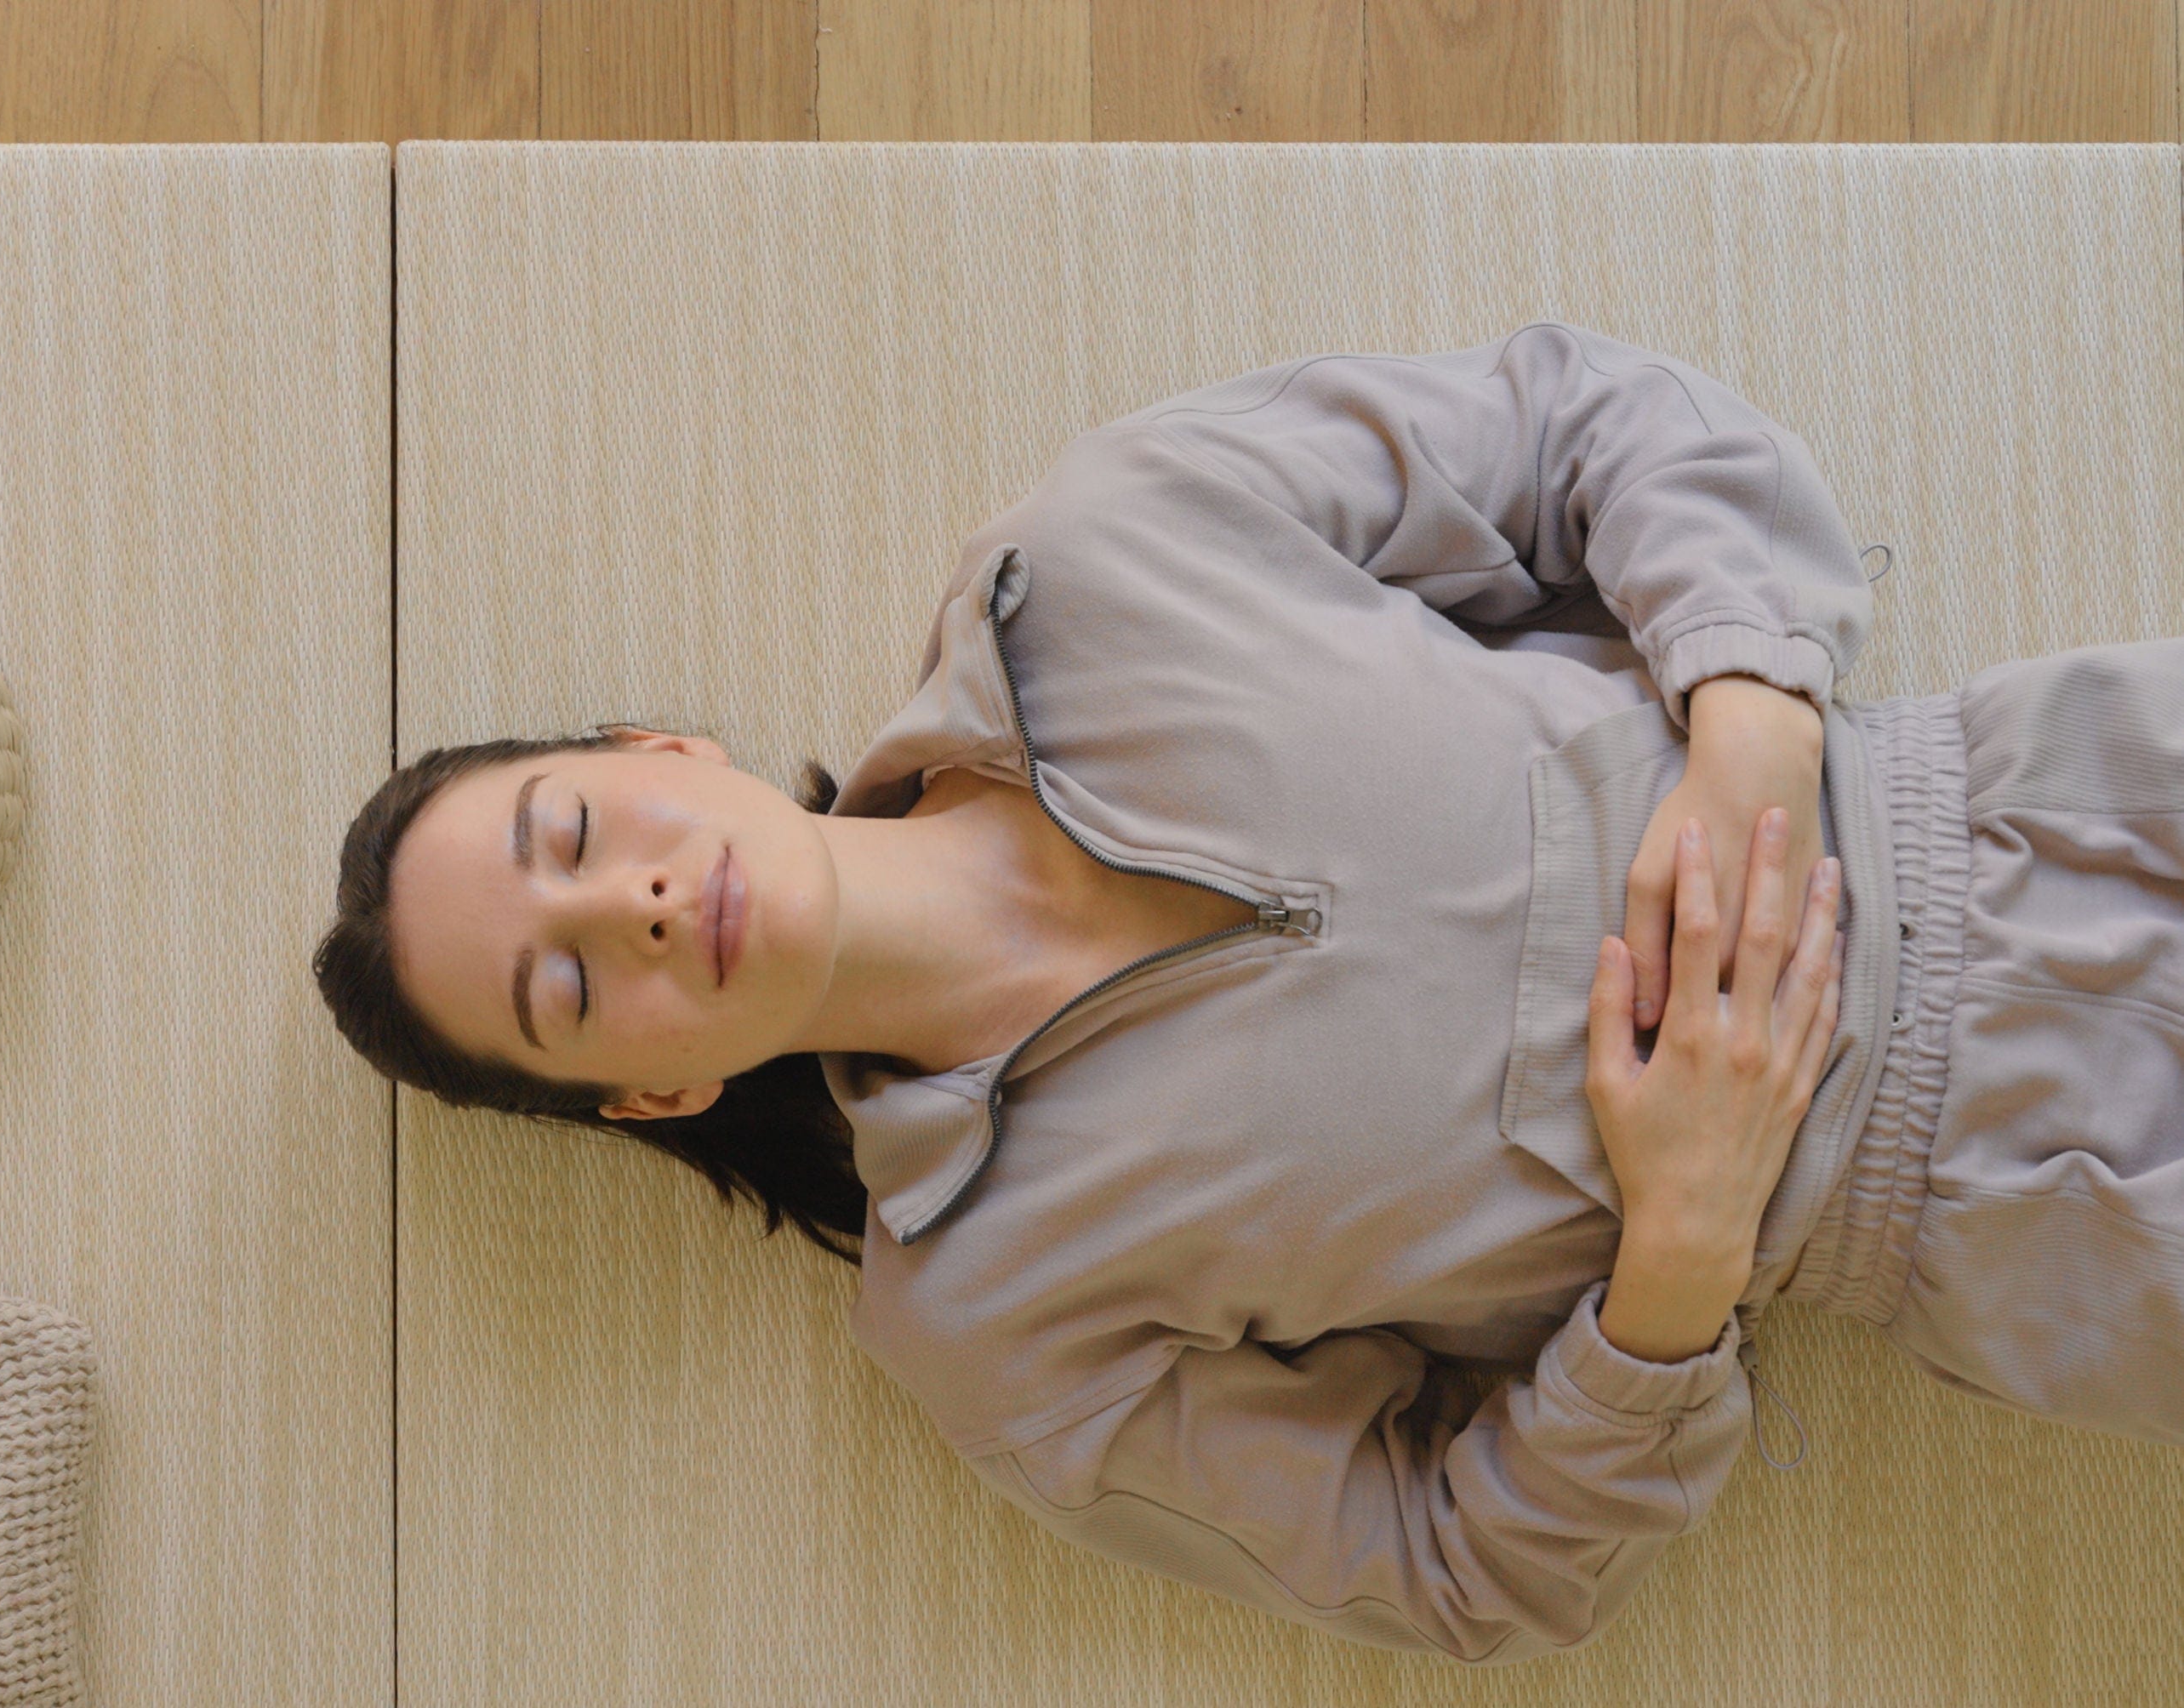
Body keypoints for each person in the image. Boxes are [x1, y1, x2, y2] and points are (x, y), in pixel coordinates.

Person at [311, 322, 2184, 1664]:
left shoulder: (1102, 553)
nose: (629, 901)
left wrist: (1754, 723)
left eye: (572, 825)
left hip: (2066, 797)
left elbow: (1589, 421)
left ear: (663, 743)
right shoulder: (989, 1322)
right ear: (649, 1094)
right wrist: (1676, 1267)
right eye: (563, 986)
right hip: (2038, 1223)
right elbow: (1454, 1571)